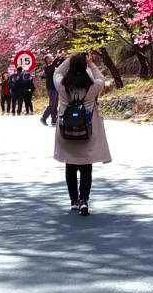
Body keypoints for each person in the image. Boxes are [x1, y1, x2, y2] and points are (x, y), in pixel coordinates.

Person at [53, 51, 111, 215]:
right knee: (86, 167)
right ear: (85, 67)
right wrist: (91, 63)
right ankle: (84, 200)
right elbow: (101, 79)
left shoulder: (62, 86)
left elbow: (57, 72)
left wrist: (68, 59)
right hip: (87, 130)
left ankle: (73, 201)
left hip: (66, 130)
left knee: (70, 165)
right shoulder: (92, 87)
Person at [40, 56, 61, 126]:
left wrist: (60, 57)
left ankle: (54, 119)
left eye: (51, 58)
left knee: (55, 104)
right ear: (46, 60)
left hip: (55, 87)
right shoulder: (47, 67)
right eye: (49, 58)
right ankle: (44, 117)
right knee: (52, 104)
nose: (51, 59)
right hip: (51, 88)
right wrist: (55, 61)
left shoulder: (54, 66)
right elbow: (50, 72)